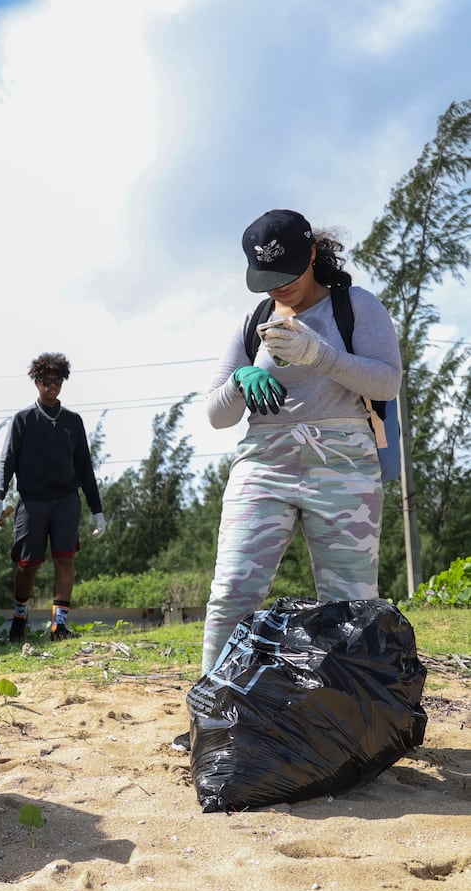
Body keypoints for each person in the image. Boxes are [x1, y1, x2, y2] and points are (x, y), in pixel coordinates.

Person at [172, 208, 401, 753]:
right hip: (265, 462)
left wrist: (320, 354)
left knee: (351, 602)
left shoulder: (356, 307)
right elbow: (217, 415)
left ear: (314, 258)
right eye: (267, 280)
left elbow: (387, 381)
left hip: (343, 464)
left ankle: (356, 725)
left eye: (289, 277)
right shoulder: (253, 320)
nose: (281, 289)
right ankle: (212, 716)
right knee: (232, 590)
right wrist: (241, 377)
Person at [0, 352, 106, 642]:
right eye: (45, 380)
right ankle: (19, 617)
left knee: (65, 559)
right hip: (32, 500)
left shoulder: (73, 422)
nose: (51, 386)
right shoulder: (23, 420)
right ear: (36, 382)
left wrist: (97, 510)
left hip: (66, 499)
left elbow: (85, 468)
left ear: (63, 382)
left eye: (57, 381)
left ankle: (59, 625)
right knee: (28, 564)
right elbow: (7, 461)